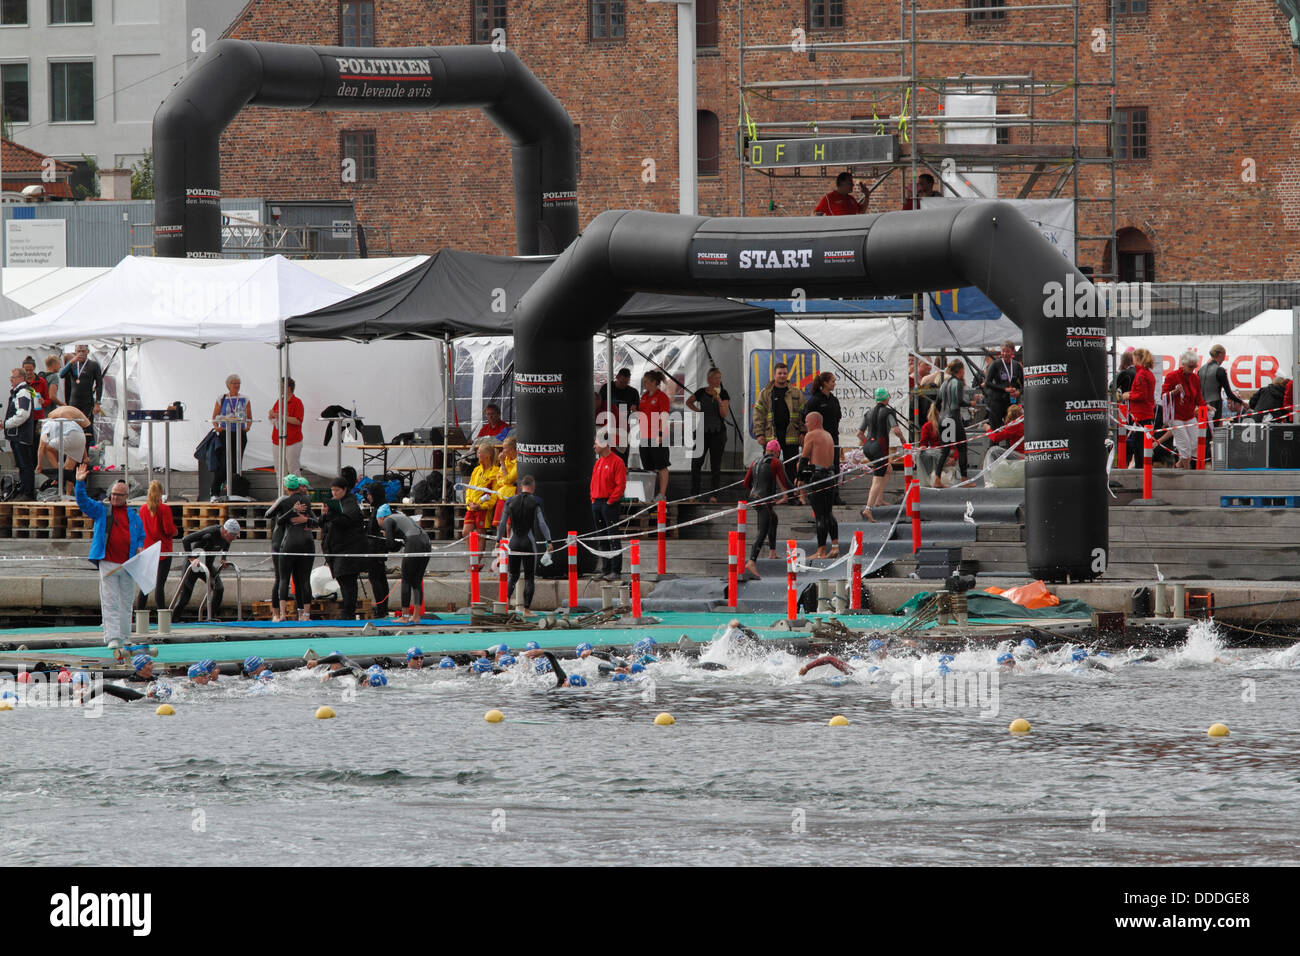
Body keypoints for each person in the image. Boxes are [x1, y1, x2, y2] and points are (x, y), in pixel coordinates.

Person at [74, 463, 145, 646]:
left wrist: (139, 546)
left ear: (126, 497)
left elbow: (140, 536)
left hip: (128, 564)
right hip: (108, 562)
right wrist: (79, 483)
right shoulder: (101, 510)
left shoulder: (134, 516)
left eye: (118, 495)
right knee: (110, 601)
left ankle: (125, 636)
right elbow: (83, 502)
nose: (114, 497)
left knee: (127, 602)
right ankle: (113, 637)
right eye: (112, 494)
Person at [497, 475, 552, 610]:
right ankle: (526, 610)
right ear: (533, 487)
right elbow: (542, 523)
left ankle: (505, 604)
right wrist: (548, 541)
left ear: (521, 486)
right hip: (528, 542)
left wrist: (498, 540)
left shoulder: (510, 501)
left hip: (514, 542)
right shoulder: (536, 501)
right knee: (529, 577)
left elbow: (502, 522)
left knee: (513, 575)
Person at [319, 475, 368, 619]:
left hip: (348, 549)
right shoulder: (335, 503)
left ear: (344, 489)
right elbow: (323, 523)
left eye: (337, 490)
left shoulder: (350, 504)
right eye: (332, 490)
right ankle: (348, 610)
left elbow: (347, 521)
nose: (334, 493)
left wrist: (331, 515)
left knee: (348, 582)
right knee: (343, 581)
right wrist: (325, 514)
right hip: (336, 548)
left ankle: (349, 611)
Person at [172, 518, 242, 619]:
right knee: (185, 597)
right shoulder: (211, 533)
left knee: (219, 588)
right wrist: (191, 558)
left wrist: (223, 558)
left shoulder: (227, 538)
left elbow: (227, 544)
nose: (235, 538)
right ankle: (173, 620)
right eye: (233, 536)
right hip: (194, 566)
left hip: (207, 566)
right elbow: (185, 540)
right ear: (226, 532)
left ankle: (210, 617)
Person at [742, 439, 791, 578]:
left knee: (773, 519)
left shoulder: (756, 462)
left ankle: (772, 552)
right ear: (776, 451)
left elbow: (746, 482)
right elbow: (785, 481)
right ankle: (751, 561)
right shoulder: (776, 462)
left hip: (753, 497)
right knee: (763, 530)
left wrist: (757, 492)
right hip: (764, 499)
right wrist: (798, 491)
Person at [376, 503, 432, 622]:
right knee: (416, 580)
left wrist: (387, 536)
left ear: (380, 518)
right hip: (426, 540)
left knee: (406, 579)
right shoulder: (401, 517)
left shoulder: (387, 521)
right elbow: (399, 543)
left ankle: (405, 616)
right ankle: (416, 616)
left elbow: (391, 546)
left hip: (414, 542)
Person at [857, 386, 906, 519]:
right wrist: (903, 440)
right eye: (888, 396)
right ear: (886, 398)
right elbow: (896, 430)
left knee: (887, 468)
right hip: (880, 448)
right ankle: (868, 508)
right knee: (877, 478)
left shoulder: (868, 412)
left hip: (868, 447)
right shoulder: (889, 412)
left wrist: (869, 443)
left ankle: (879, 500)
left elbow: (859, 433)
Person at [264, 474, 307, 622]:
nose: (304, 490)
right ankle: (276, 613)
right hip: (279, 541)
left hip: (292, 542)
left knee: (298, 578)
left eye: (305, 487)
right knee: (281, 578)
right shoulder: (284, 500)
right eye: (302, 486)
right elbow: (269, 514)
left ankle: (300, 613)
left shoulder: (304, 502)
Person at [753, 361, 805, 485]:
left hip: (791, 435)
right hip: (771, 436)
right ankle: (769, 496)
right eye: (780, 373)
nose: (782, 376)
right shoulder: (766, 393)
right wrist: (759, 434)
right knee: (769, 467)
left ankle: (792, 496)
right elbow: (758, 414)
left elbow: (804, 413)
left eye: (785, 373)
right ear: (774, 375)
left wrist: (803, 432)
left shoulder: (796, 393)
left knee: (791, 466)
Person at [797, 411, 840, 559]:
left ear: (814, 422)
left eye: (807, 422)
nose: (805, 425)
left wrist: (800, 478)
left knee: (820, 516)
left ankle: (821, 550)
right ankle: (835, 546)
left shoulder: (812, 435)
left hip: (818, 477)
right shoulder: (828, 435)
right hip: (830, 476)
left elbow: (804, 458)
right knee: (828, 513)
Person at [275, 481, 318, 622]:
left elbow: (276, 519)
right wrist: (306, 519)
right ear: (299, 487)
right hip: (307, 542)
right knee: (304, 580)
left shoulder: (284, 500)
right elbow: (316, 522)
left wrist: (292, 512)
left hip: (289, 543)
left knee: (283, 579)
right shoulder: (307, 501)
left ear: (286, 487)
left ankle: (282, 614)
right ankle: (305, 615)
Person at [686, 367, 730, 501]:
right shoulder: (701, 392)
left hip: (718, 432)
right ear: (709, 379)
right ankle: (695, 494)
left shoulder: (723, 394)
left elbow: (724, 414)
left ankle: (714, 495)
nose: (718, 381)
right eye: (716, 378)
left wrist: (719, 401)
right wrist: (698, 411)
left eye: (720, 378)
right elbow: (689, 402)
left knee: (715, 465)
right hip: (702, 432)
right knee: (696, 463)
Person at [134, 481, 177, 613]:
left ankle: (139, 614)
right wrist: (176, 531)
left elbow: (140, 530)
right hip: (163, 550)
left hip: (147, 550)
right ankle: (162, 614)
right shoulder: (164, 509)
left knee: (145, 585)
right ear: (161, 492)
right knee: (160, 585)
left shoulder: (142, 510)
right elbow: (168, 530)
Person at [590, 434, 627, 582]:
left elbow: (620, 485)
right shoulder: (598, 463)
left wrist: (611, 501)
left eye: (596, 444)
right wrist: (593, 499)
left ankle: (615, 570)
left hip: (608, 503)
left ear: (604, 444)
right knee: (602, 538)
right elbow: (593, 482)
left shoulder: (617, 462)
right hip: (597, 502)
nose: (594, 446)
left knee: (613, 537)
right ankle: (605, 569)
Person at [803, 371, 844, 504]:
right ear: (825, 383)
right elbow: (807, 418)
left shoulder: (833, 400)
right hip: (818, 439)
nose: (834, 384)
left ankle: (834, 495)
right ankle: (814, 494)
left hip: (832, 438)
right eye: (832, 381)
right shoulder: (815, 400)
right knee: (818, 467)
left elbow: (838, 417)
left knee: (835, 466)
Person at [209, 374, 251, 496]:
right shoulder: (221, 398)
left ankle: (235, 490)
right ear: (228, 385)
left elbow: (249, 417)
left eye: (238, 383)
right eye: (234, 383)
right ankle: (215, 490)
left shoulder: (245, 398)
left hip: (239, 434)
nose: (237, 386)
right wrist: (218, 428)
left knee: (237, 463)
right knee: (225, 463)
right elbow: (214, 417)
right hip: (225, 434)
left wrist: (247, 428)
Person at [1161, 350, 1204, 468]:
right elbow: (1163, 395)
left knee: (1195, 442)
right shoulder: (1172, 376)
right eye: (1190, 367)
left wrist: (1205, 406)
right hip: (1175, 416)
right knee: (1184, 444)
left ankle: (1179, 465)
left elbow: (1199, 397)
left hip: (1189, 415)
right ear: (1183, 364)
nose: (1192, 369)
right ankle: (1188, 470)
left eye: (1194, 366)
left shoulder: (1195, 378)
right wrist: (1174, 392)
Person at [36, 405, 90, 496]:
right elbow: (78, 437)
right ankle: (68, 494)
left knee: (46, 448)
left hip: (76, 433)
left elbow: (41, 447)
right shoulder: (61, 419)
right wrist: (85, 456)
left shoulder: (47, 424)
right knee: (69, 469)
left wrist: (39, 465)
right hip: (81, 435)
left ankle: (58, 473)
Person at [59, 344, 104, 445]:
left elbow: (99, 384)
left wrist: (98, 403)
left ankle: (86, 456)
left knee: (87, 428)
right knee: (72, 428)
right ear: (75, 351)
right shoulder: (73, 365)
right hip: (74, 402)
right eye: (78, 351)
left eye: (83, 351)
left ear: (88, 352)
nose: (81, 353)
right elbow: (61, 375)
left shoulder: (93, 365)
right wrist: (71, 362)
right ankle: (74, 457)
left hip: (87, 402)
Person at [4, 368, 38, 501]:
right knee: (21, 464)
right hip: (17, 435)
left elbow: (23, 414)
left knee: (25, 464)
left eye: (13, 377)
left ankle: (28, 492)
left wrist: (6, 424)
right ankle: (24, 488)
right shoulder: (19, 392)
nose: (11, 380)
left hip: (21, 435)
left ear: (21, 378)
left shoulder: (23, 392)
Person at [595, 367, 641, 462]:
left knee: (621, 458)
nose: (624, 385)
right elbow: (598, 405)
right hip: (605, 428)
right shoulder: (606, 388)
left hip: (622, 427)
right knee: (605, 458)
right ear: (617, 377)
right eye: (621, 382)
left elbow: (638, 413)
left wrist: (634, 411)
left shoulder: (633, 392)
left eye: (626, 383)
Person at [638, 370, 671, 501]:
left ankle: (662, 494)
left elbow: (664, 416)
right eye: (643, 381)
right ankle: (649, 493)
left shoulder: (662, 397)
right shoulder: (644, 396)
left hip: (657, 435)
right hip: (645, 436)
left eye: (646, 381)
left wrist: (661, 434)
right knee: (648, 467)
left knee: (662, 465)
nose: (644, 384)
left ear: (654, 382)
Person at [936, 361, 971, 482]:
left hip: (942, 418)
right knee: (962, 448)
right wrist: (971, 403)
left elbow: (936, 403)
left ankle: (937, 479)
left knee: (944, 450)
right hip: (953, 417)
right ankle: (964, 479)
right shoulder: (958, 383)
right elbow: (959, 401)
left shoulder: (944, 383)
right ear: (960, 370)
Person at [1121, 348, 1157, 466]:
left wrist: (1128, 395)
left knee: (1139, 446)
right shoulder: (1148, 373)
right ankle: (1143, 468)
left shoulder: (1141, 374)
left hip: (1141, 415)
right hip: (1145, 413)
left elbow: (1142, 395)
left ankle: (1141, 470)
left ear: (1137, 358)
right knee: (1142, 445)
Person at [983, 341, 1023, 430]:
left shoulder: (1017, 366)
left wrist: (1018, 392)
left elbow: (1024, 384)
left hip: (1011, 403)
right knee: (995, 431)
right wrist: (1004, 389)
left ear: (1013, 352)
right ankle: (994, 444)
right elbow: (987, 383)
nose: (1004, 354)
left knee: (1011, 430)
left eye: (1007, 351)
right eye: (1003, 351)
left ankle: (1009, 444)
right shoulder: (995, 364)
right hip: (997, 402)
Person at [269, 377, 305, 477]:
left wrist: (281, 416)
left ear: (288, 388)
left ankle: (296, 491)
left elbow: (298, 421)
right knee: (279, 469)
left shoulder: (297, 402)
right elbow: (274, 416)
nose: (279, 389)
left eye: (281, 387)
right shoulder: (279, 400)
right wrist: (271, 415)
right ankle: (282, 491)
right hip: (277, 440)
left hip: (292, 441)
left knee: (293, 468)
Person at [463, 443, 501, 535]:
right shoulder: (476, 470)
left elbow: (494, 493)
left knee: (480, 533)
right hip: (471, 506)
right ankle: (472, 550)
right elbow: (469, 488)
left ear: (487, 455)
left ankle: (480, 550)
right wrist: (468, 502)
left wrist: (481, 506)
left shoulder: (495, 471)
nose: (477, 455)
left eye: (479, 453)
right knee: (466, 532)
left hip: (483, 508)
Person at [917, 404, 956, 488]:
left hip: (947, 455)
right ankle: (935, 478)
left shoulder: (949, 425)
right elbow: (923, 443)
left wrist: (954, 458)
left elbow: (954, 445)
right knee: (924, 454)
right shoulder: (927, 426)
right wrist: (922, 447)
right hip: (935, 456)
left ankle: (938, 478)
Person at [491, 436, 518, 527]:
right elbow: (498, 479)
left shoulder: (518, 462)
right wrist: (505, 481)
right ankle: (499, 541)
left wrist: (502, 463)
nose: (502, 451)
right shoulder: (506, 459)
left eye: (504, 448)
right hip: (502, 494)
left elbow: (508, 479)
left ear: (511, 450)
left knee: (509, 527)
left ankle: (510, 541)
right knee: (500, 525)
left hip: (512, 496)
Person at [21, 356, 49, 423]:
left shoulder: (41, 381)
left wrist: (43, 402)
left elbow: (48, 399)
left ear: (34, 368)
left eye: (30, 370)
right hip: (24, 417)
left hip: (37, 417)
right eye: (26, 370)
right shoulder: (21, 382)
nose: (28, 372)